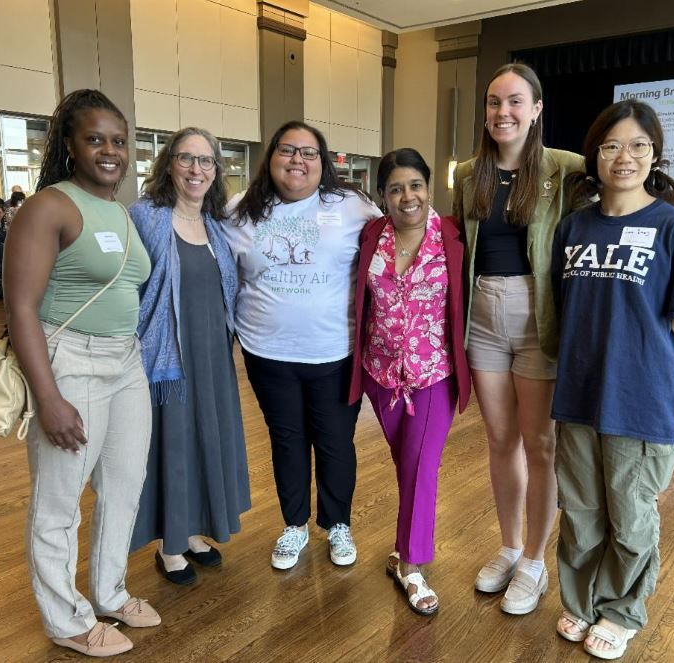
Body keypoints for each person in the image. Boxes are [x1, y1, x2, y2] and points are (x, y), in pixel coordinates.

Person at [3, 89, 157, 658]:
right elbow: (20, 308)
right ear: (70, 145)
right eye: (95, 139)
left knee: (123, 485)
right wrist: (48, 397)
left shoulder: (118, 209)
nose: (110, 151)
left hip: (126, 360)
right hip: (71, 363)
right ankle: (65, 620)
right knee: (58, 501)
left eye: (118, 141)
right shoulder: (50, 206)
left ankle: (110, 591)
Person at [550, 99, 674, 660]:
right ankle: (581, 601)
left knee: (631, 515)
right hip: (578, 393)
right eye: (612, 145)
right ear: (594, 154)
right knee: (581, 511)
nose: (625, 156)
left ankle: (621, 610)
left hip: (640, 399)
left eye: (638, 146)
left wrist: (648, 384)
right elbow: (564, 310)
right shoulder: (572, 227)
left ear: (654, 154)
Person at [452, 62, 583, 614]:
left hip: (539, 315)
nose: (501, 112)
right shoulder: (468, 175)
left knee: (542, 444)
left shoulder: (568, 169)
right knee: (500, 441)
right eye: (492, 102)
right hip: (483, 314)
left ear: (536, 109)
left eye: (513, 102)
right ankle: (508, 547)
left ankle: (534, 560)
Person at [221, 120, 380, 571]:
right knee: (287, 440)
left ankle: (337, 523)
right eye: (288, 151)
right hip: (267, 352)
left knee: (335, 442)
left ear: (323, 162)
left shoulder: (351, 205)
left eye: (309, 153)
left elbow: (401, 232)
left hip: (335, 351)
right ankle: (293, 525)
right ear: (269, 158)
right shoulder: (239, 210)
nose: (298, 161)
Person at [348, 148, 470, 615]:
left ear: (429, 187)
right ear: (383, 195)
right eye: (395, 188)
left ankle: (413, 565)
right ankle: (403, 547)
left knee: (422, 467)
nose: (407, 196)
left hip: (434, 374)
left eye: (415, 185)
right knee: (406, 465)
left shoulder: (452, 236)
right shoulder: (371, 235)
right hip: (380, 374)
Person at [129, 127, 251, 585]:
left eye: (206, 162)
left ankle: (196, 530)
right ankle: (170, 544)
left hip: (214, 355)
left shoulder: (217, 226)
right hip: (169, 358)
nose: (196, 170)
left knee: (207, 439)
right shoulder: (145, 218)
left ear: (216, 172)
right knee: (174, 444)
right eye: (186, 159)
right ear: (168, 165)